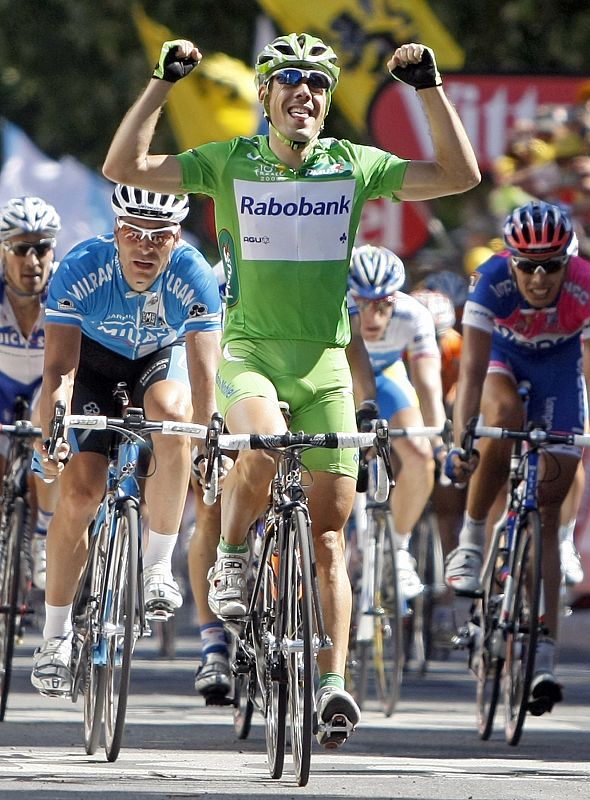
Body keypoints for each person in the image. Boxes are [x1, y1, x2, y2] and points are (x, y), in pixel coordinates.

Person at [102, 34, 479, 746]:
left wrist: (429, 88)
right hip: (249, 354)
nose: (304, 90)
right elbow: (125, 166)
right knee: (266, 444)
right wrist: (161, 83)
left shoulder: (353, 165)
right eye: (289, 79)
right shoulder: (229, 161)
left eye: (317, 82)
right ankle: (232, 557)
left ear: (326, 102)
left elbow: (459, 175)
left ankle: (332, 685)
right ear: (266, 94)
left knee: (330, 537)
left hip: (325, 363)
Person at [30, 184, 222, 697]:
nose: (145, 246)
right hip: (90, 366)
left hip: (159, 361)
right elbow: (59, 370)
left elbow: (205, 379)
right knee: (81, 493)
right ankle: (55, 638)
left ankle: (157, 564)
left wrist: (212, 442)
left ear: (176, 237)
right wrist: (54, 432)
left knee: (175, 415)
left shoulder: (194, 275)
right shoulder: (81, 268)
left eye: (159, 236)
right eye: (134, 232)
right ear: (116, 230)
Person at [445, 199, 589, 714]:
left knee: (548, 509)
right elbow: (471, 374)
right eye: (527, 265)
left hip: (558, 371)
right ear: (511, 261)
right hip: (503, 363)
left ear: (568, 261)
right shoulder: (489, 282)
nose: (539, 277)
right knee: (502, 415)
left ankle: (543, 654)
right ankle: (472, 539)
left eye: (551, 265)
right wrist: (461, 441)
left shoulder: (585, 284)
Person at [348, 244, 447, 600]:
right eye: (361, 304)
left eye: (382, 305)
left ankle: (398, 549)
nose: (372, 317)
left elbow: (428, 386)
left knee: (420, 456)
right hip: (340, 378)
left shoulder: (414, 314)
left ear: (396, 299)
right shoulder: (332, 308)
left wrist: (440, 443)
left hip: (387, 378)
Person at [0, 196, 62, 589]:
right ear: (3, 251)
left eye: (42, 248)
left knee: (51, 440)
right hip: (2, 389)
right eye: (21, 249)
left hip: (44, 386)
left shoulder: (64, 290)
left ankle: (43, 533)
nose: (33, 261)